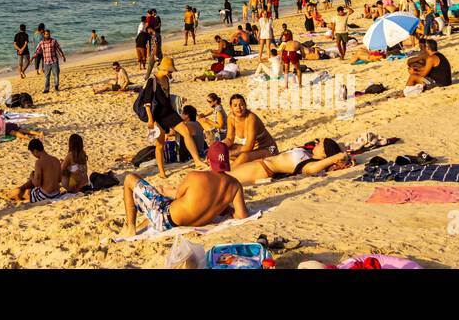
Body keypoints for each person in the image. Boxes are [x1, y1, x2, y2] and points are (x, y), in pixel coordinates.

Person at [121, 167, 248, 236]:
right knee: (162, 198)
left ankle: (130, 227)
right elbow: (242, 215)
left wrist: (165, 191)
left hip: (163, 216)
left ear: (209, 160)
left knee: (129, 179)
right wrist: (227, 209)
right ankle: (138, 224)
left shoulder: (195, 176)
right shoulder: (235, 184)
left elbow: (177, 196)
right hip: (176, 222)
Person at [136, 58, 206, 177]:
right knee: (160, 145)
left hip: (169, 113)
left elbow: (166, 97)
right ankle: (162, 172)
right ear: (163, 68)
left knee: (185, 132)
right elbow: (147, 102)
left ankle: (197, 161)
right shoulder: (151, 81)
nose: (171, 73)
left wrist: (178, 100)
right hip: (157, 116)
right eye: (169, 71)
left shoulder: (166, 79)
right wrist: (150, 120)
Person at [225, 138, 353, 184]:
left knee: (225, 179)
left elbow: (313, 169)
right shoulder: (309, 155)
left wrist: (336, 157)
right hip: (261, 164)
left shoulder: (310, 164)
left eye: (321, 144)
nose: (317, 143)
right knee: (224, 176)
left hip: (263, 169)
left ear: (325, 153)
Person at [221, 94, 278, 166]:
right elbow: (229, 139)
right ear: (231, 107)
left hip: (267, 149)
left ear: (245, 105)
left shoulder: (251, 118)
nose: (239, 108)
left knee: (243, 157)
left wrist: (228, 154)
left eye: (241, 105)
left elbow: (249, 147)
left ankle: (227, 172)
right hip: (253, 150)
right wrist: (219, 147)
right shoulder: (231, 117)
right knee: (228, 148)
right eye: (235, 105)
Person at [2, 138, 64, 202]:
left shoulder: (39, 162)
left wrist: (32, 177)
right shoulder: (55, 160)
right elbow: (59, 179)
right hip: (56, 193)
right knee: (31, 185)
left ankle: (11, 193)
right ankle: (19, 189)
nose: (34, 155)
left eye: (32, 153)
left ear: (35, 151)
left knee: (22, 193)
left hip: (45, 195)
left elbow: (36, 183)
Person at [38, 29, 66, 93]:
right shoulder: (41, 43)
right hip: (46, 63)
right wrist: (33, 58)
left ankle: (56, 86)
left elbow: (59, 49)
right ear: (44, 35)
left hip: (54, 61)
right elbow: (37, 51)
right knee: (46, 77)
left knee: (56, 75)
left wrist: (63, 56)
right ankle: (46, 89)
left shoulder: (54, 41)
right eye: (46, 34)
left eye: (48, 34)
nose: (47, 35)